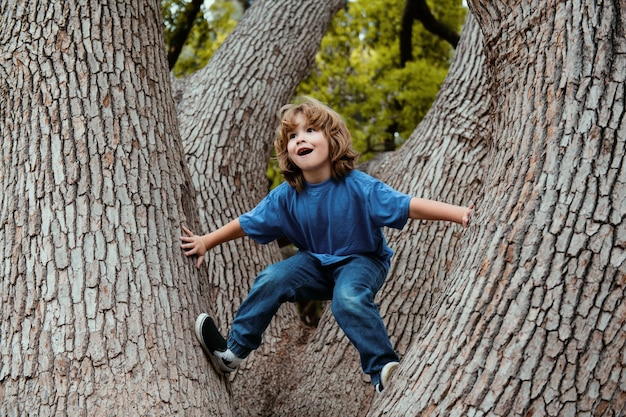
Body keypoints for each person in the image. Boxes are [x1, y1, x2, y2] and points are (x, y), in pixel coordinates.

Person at [180, 97, 474, 393]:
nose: (300, 139)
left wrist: (460, 214)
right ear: (288, 152)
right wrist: (206, 241)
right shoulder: (285, 197)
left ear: (332, 140)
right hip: (315, 264)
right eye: (292, 136)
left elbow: (410, 206)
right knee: (271, 278)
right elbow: (246, 223)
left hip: (362, 261)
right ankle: (231, 354)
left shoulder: (360, 187)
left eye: (310, 130)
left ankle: (383, 370)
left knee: (347, 299)